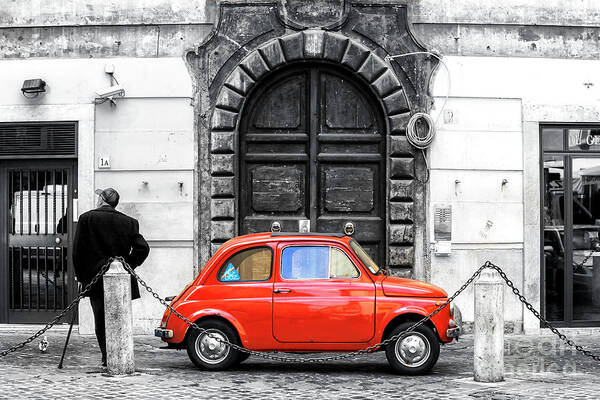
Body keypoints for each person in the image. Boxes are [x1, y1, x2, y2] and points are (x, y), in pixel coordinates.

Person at [73, 188, 149, 367]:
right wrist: (127, 263)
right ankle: (119, 354)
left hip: (95, 277)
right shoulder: (129, 222)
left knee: (100, 319)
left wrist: (81, 275)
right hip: (120, 277)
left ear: (101, 199)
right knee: (119, 317)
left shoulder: (86, 219)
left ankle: (107, 356)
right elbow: (143, 248)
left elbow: (78, 251)